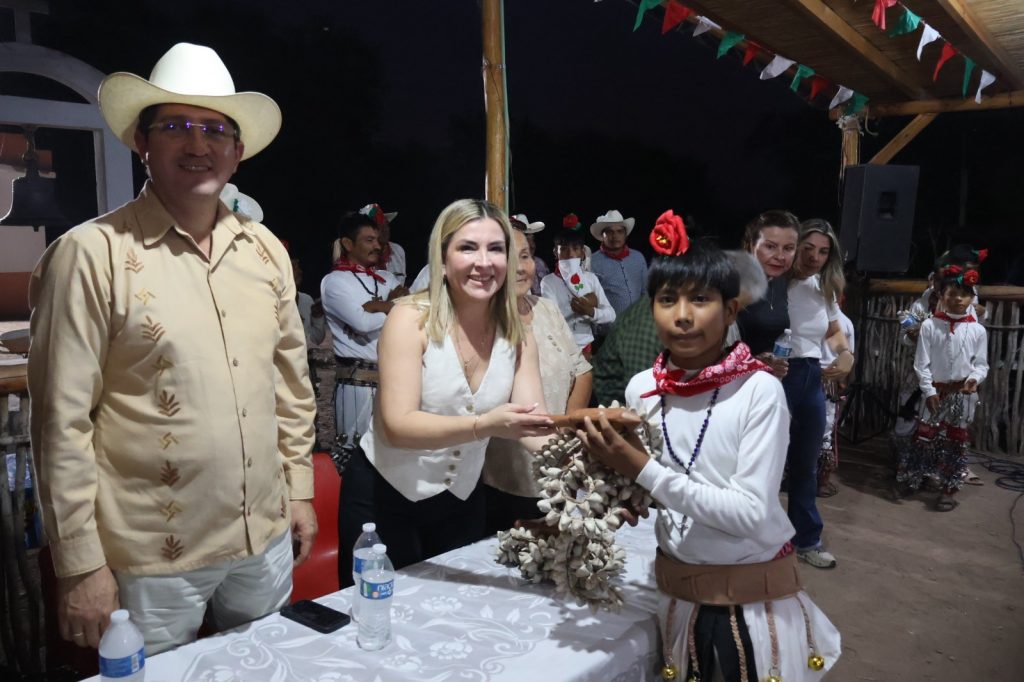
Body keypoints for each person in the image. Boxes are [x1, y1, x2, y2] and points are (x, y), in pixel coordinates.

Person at [27, 43, 317, 654]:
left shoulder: (264, 251)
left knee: (266, 667)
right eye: (176, 126)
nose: (197, 143)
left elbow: (290, 386)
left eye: (215, 129)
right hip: (150, 558)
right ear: (142, 141)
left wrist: (299, 490)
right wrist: (80, 563)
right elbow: (60, 421)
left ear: (237, 151)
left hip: (263, 540)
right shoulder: (91, 255)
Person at [579, 211, 840, 681]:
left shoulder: (758, 390)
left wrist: (640, 470)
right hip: (676, 594)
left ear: (731, 310)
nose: (682, 316)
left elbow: (748, 514)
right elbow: (665, 484)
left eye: (700, 299)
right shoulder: (643, 389)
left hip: (747, 609)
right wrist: (621, 498)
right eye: (666, 299)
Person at [337, 199, 554, 580]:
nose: (483, 262)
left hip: (460, 500)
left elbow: (534, 427)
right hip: (383, 498)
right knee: (381, 609)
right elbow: (398, 426)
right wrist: (484, 425)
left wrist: (593, 455)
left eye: (495, 249)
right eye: (468, 248)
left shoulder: (518, 335)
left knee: (455, 605)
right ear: (442, 257)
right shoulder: (409, 318)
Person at [482, 226, 592, 532]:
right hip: (507, 474)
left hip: (561, 457)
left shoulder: (546, 308)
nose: (520, 267)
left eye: (526, 256)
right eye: (509, 258)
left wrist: (567, 427)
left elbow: (582, 370)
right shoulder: (481, 322)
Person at [783, 220, 854, 569]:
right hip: (777, 374)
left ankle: (806, 540)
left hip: (811, 374)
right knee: (764, 460)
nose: (814, 257)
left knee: (805, 463)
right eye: (808, 248)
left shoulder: (822, 287)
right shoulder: (775, 283)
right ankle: (756, 539)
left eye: (823, 252)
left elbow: (833, 330)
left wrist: (845, 353)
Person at [894, 269, 989, 511]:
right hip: (935, 392)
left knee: (956, 441)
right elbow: (921, 364)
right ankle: (913, 479)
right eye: (952, 293)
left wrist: (974, 379)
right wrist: (929, 391)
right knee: (924, 436)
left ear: (972, 299)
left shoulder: (978, 331)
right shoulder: (929, 326)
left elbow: (981, 364)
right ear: (941, 295)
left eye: (964, 295)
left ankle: (949, 490)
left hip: (962, 394)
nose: (958, 299)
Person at [320, 212, 403, 473]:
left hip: (393, 382)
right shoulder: (334, 282)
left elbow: (411, 310)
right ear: (347, 244)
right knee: (355, 460)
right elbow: (362, 323)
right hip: (356, 385)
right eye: (369, 240)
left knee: (393, 458)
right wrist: (392, 305)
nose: (377, 245)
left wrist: (377, 306)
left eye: (378, 240)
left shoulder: (387, 278)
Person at [735, 210, 800, 379]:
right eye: (770, 246)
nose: (780, 256)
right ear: (751, 245)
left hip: (764, 384)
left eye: (788, 248)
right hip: (728, 386)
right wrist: (752, 362)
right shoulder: (730, 282)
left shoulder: (780, 281)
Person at [540, 223, 616, 359]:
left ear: (582, 252)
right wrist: (583, 307)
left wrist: (591, 311)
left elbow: (611, 314)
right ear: (555, 252)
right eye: (564, 249)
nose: (570, 254)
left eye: (575, 249)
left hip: (586, 346)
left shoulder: (590, 279)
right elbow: (551, 319)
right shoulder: (548, 281)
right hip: (561, 348)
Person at [588, 209, 648, 317]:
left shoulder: (638, 258)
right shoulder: (592, 262)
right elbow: (590, 299)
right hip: (610, 326)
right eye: (609, 232)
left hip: (638, 321)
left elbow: (646, 292)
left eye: (620, 231)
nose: (615, 236)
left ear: (625, 235)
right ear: (602, 235)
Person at [359, 202, 407, 285]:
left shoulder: (398, 250)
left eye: (386, 224)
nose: (385, 229)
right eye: (379, 226)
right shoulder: (358, 256)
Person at [510, 213, 550, 295]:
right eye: (526, 239)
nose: (532, 245)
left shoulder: (540, 263)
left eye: (532, 239)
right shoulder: (505, 267)